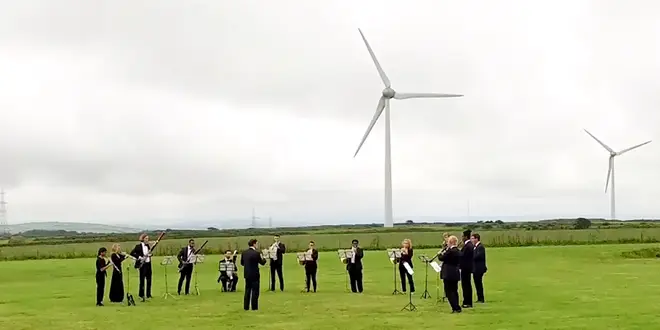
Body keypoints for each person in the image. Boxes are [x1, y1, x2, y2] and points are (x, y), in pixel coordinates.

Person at [438, 235, 462, 313]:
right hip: (455, 272)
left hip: (448, 273)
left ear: (450, 242)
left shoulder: (450, 251)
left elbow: (442, 258)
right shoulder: (458, 251)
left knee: (448, 291)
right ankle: (457, 307)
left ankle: (454, 307)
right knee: (455, 290)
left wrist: (439, 254)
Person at [241, 239, 267, 311]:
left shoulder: (244, 253)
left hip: (247, 274)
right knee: (255, 291)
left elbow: (242, 263)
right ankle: (254, 307)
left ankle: (246, 307)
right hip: (255, 274)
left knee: (247, 291)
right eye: (257, 244)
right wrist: (264, 257)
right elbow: (262, 263)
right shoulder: (256, 253)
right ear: (254, 244)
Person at [130, 233, 153, 301]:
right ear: (142, 239)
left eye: (148, 238)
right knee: (142, 280)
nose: (147, 240)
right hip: (142, 265)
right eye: (146, 238)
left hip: (148, 264)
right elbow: (132, 253)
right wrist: (139, 257)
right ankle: (141, 294)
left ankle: (148, 294)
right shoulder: (138, 246)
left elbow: (149, 253)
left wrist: (150, 255)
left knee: (149, 279)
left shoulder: (148, 246)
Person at [471, 233, 487, 303]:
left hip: (479, 268)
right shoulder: (475, 247)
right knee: (477, 283)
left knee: (478, 283)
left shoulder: (480, 247)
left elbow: (478, 256)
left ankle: (481, 298)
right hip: (475, 268)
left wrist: (471, 256)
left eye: (473, 238)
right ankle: (479, 298)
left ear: (476, 239)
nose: (472, 240)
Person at [460, 229, 474, 308]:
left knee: (466, 285)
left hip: (466, 268)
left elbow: (463, 256)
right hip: (466, 267)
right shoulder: (468, 245)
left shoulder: (468, 246)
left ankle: (467, 302)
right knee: (466, 285)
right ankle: (467, 301)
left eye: (462, 236)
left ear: (465, 237)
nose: (462, 238)